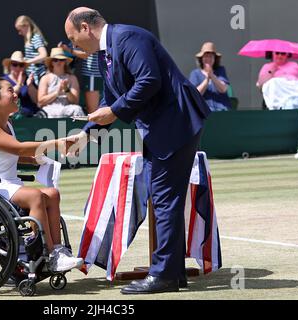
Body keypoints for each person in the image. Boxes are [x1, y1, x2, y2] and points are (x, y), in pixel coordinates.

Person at [64, 7, 211, 294]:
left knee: (164, 197)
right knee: (164, 198)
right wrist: (85, 135)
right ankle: (173, 272)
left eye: (73, 38)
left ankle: (164, 276)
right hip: (165, 127)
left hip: (175, 122)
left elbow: (149, 80)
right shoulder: (107, 52)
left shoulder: (128, 37)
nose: (74, 46)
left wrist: (115, 111)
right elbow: (111, 98)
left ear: (85, 27)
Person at [0, 77, 83, 272]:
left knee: (52, 194)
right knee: (35, 195)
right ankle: (40, 251)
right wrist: (58, 143)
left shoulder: (7, 124)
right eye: (10, 91)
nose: (15, 95)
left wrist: (33, 160)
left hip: (5, 184)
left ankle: (57, 251)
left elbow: (10, 154)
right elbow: (19, 149)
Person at [256, 51, 298, 159]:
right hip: (282, 93)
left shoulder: (294, 65)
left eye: (283, 53)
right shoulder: (267, 66)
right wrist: (271, 70)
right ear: (272, 54)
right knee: (273, 83)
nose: (280, 55)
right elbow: (261, 85)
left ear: (287, 55)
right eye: (277, 53)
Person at [37, 47, 85, 118]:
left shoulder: (72, 78)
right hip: (50, 109)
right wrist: (57, 93)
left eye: (61, 60)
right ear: (51, 62)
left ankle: (81, 129)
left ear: (65, 62)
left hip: (67, 108)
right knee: (42, 114)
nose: (59, 62)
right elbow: (40, 102)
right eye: (55, 60)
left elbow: (75, 101)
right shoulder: (45, 78)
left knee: (77, 109)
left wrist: (66, 90)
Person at [58, 41, 102, 114]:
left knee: (103, 108)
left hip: (102, 74)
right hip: (93, 75)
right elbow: (85, 54)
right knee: (93, 111)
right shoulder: (79, 38)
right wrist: (65, 50)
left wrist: (68, 50)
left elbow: (86, 54)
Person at [189, 42, 231, 111]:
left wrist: (212, 76)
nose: (208, 59)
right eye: (206, 56)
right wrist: (207, 80)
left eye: (211, 56)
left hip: (222, 110)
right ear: (201, 58)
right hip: (203, 110)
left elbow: (223, 89)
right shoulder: (195, 73)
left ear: (215, 58)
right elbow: (195, 94)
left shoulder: (220, 70)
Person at [2, 51, 41, 117]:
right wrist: (19, 84)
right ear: (10, 66)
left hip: (30, 116)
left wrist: (30, 85)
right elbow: (5, 100)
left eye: (21, 65)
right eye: (15, 64)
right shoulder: (4, 80)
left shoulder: (29, 80)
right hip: (11, 118)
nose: (18, 68)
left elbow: (37, 101)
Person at [15, 16, 48, 86]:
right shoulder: (28, 39)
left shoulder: (35, 38)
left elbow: (44, 55)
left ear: (26, 25)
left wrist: (27, 62)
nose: (19, 33)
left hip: (38, 75)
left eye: (20, 30)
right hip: (32, 76)